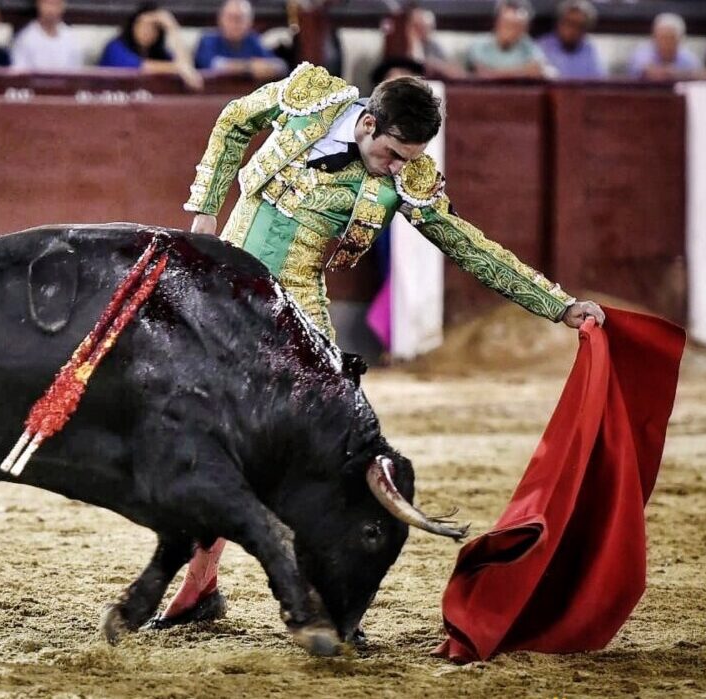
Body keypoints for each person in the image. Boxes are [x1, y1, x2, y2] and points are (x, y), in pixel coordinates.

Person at [153, 64, 605, 629]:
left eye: (409, 160)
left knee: (318, 466)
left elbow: (470, 247)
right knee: (210, 449)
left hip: (296, 319)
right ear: (367, 123)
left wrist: (557, 305)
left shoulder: (407, 180)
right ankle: (199, 592)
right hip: (221, 299)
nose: (398, 168)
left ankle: (334, 603)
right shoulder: (309, 99)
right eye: (392, 154)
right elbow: (235, 119)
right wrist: (204, 207)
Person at [98, 2, 202, 89]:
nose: (146, 31)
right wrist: (179, 68)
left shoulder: (160, 53)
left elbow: (189, 70)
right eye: (142, 24)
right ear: (132, 25)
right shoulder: (115, 47)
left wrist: (172, 27)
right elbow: (141, 68)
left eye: (153, 27)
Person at [193, 0, 285, 80]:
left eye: (239, 19)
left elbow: (280, 65)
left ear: (249, 22)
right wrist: (248, 67)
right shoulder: (208, 40)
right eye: (230, 18)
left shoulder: (252, 40)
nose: (234, 24)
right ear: (220, 19)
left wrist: (268, 67)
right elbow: (214, 65)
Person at [466, 0, 549, 78]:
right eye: (508, 25)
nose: (512, 31)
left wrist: (498, 73)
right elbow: (483, 74)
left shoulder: (529, 47)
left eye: (518, 26)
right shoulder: (480, 45)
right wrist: (522, 72)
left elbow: (537, 69)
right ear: (497, 23)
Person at [627, 13, 706, 81]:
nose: (665, 43)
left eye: (670, 38)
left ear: (680, 40)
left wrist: (673, 73)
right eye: (661, 38)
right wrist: (683, 74)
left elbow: (703, 75)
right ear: (654, 37)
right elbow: (652, 73)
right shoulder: (642, 53)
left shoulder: (688, 57)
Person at [537, 0, 604, 80]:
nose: (573, 30)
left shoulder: (590, 50)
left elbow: (598, 82)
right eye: (570, 23)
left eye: (580, 26)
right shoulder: (541, 47)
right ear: (559, 23)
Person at [10, 0, 83, 71]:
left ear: (63, 6)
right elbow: (20, 76)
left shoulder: (72, 39)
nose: (51, 9)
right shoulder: (24, 38)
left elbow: (76, 75)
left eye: (56, 4)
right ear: (38, 4)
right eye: (47, 3)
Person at [405, 6, 465, 79]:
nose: (420, 29)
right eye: (415, 25)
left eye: (423, 25)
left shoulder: (434, 45)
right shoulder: (402, 44)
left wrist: (437, 65)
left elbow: (455, 72)